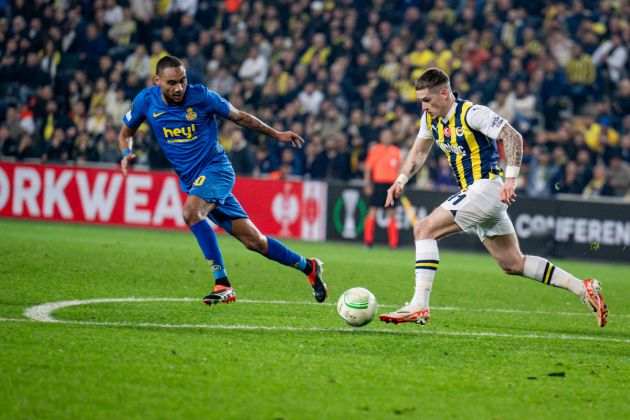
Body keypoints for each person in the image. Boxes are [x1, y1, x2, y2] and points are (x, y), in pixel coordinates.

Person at [379, 68, 608, 327]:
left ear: (444, 93)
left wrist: (511, 180)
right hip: (478, 194)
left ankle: (419, 305)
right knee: (512, 263)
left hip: (486, 188)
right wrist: (400, 180)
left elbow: (512, 137)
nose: (423, 106)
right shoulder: (430, 121)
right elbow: (419, 152)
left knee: (424, 229)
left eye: (427, 100)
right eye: (420, 101)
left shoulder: (472, 113)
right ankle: (583, 288)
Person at [118, 56, 327, 305]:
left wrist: (276, 134)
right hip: (194, 180)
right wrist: (125, 152)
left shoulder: (202, 97)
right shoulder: (145, 100)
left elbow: (240, 117)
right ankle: (309, 267)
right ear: (157, 80)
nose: (179, 88)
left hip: (216, 169)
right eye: (172, 82)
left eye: (182, 81)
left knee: (191, 213)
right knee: (254, 242)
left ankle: (223, 283)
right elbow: (125, 133)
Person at [363, 128, 402, 249]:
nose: (387, 137)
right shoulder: (375, 150)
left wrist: (400, 184)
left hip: (391, 185)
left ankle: (393, 243)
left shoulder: (396, 151)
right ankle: (368, 242)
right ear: (381, 137)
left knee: (392, 213)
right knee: (372, 212)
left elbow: (400, 169)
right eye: (384, 135)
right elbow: (368, 168)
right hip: (378, 184)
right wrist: (367, 184)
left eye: (389, 135)